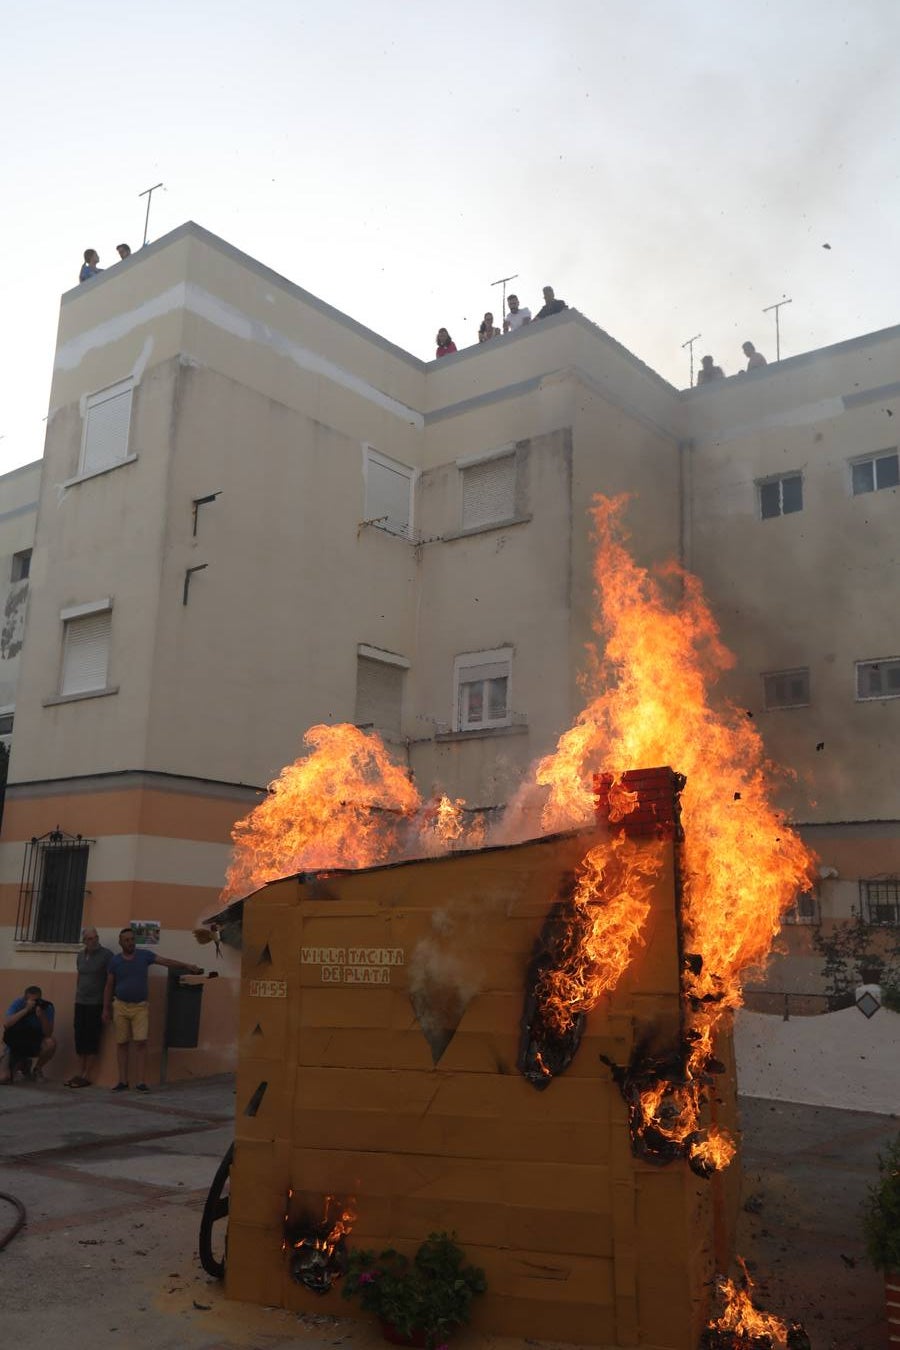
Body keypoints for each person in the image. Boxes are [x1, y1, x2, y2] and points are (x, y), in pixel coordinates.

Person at [103, 926, 202, 1092]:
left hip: (140, 1007)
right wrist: (106, 1008)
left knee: (141, 1042)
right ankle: (122, 1081)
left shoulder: (144, 956)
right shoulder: (115, 961)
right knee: (121, 1043)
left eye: (132, 939)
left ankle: (141, 1082)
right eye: (126, 940)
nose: (130, 943)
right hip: (120, 1006)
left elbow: (166, 961)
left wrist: (187, 966)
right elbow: (109, 985)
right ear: (121, 943)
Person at [65, 927, 113, 1088]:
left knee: (92, 1037)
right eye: (90, 939)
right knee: (80, 1036)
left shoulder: (106, 955)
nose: (94, 941)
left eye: (95, 937)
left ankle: (87, 1074)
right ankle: (79, 1071)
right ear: (84, 941)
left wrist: (107, 1005)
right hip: (80, 1002)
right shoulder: (80, 955)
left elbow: (110, 980)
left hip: (96, 1003)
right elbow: (80, 975)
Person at [0, 985, 57, 1082]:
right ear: (25, 999)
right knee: (4, 1078)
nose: (34, 1003)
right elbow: (6, 1024)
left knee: (50, 1043)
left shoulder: (47, 1007)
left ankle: (37, 1069)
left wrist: (42, 1016)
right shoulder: (18, 1003)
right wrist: (26, 1010)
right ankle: (20, 1064)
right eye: (32, 1001)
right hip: (15, 1043)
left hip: (34, 1040)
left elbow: (48, 1033)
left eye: (37, 1000)